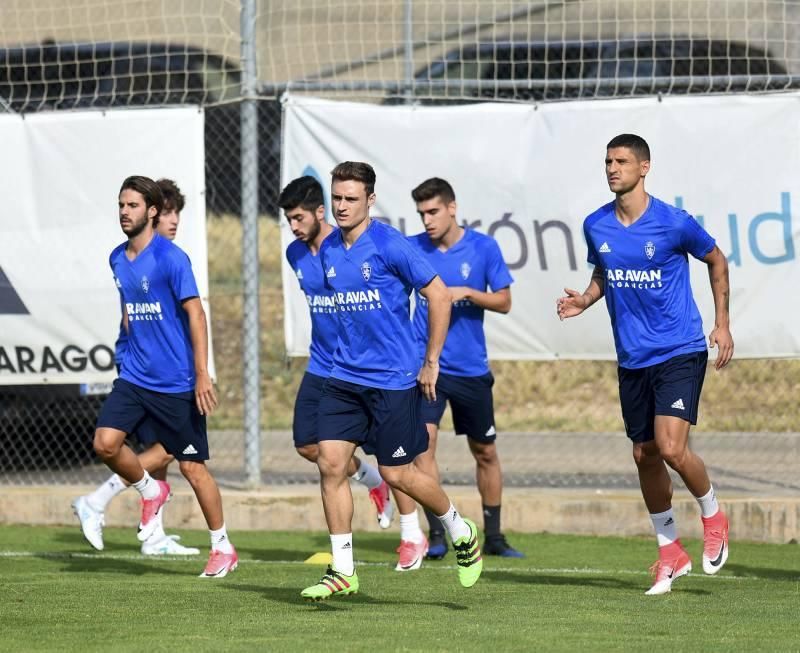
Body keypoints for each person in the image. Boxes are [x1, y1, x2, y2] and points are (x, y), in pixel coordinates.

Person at [556, 134, 733, 595]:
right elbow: (604, 273)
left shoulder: (674, 224)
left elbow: (716, 260)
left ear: (644, 167)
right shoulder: (596, 224)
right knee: (644, 454)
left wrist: (722, 323)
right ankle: (670, 552)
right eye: (608, 161)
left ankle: (713, 514)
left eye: (622, 161)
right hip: (632, 359)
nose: (613, 169)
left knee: (670, 447)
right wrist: (586, 300)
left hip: (679, 350)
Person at [301, 162, 483, 600]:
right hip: (342, 377)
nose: (341, 206)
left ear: (370, 200)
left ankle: (460, 528)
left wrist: (431, 361)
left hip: (392, 380)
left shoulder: (389, 245)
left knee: (397, 473)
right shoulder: (328, 250)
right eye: (337, 198)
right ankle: (343, 570)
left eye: (350, 199)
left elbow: (438, 294)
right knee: (329, 463)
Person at [91, 175, 238, 578]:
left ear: (152, 212)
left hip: (176, 384)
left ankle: (222, 546)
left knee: (192, 469)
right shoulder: (117, 258)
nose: (125, 212)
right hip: (136, 377)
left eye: (133, 205)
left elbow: (195, 313)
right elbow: (129, 310)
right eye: (121, 205)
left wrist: (202, 374)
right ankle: (150, 490)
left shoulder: (172, 258)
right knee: (106, 443)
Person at [73, 179, 199, 556]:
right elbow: (132, 319)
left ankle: (154, 535)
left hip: (168, 369)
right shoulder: (138, 256)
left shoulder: (170, 259)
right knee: (167, 450)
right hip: (146, 371)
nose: (174, 220)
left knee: (162, 452)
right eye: (169, 212)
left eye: (179, 212)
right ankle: (96, 500)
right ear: (153, 214)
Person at [407, 177, 523, 559]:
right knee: (423, 447)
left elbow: (504, 301)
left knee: (485, 451)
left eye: (433, 211)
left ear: (452, 208)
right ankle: (439, 533)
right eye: (422, 213)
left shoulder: (483, 248)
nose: (427, 220)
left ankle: (493, 536)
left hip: (471, 369)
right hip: (428, 369)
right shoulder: (413, 249)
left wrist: (469, 293)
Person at [279, 175, 395, 529]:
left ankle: (412, 536)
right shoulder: (294, 253)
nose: (294, 227)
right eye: (288, 220)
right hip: (321, 364)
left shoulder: (345, 243)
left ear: (319, 211)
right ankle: (374, 482)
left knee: (394, 459)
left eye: (299, 218)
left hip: (361, 367)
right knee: (307, 445)